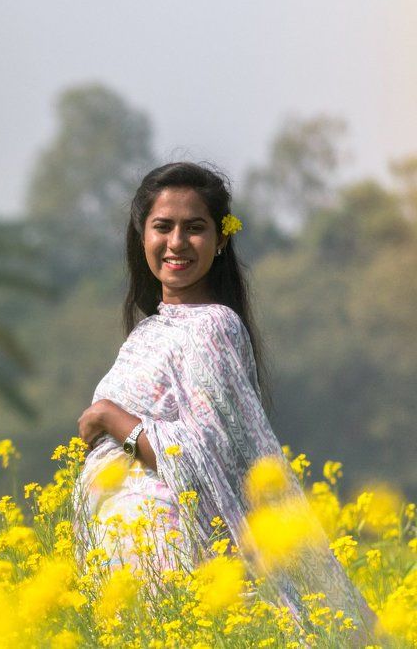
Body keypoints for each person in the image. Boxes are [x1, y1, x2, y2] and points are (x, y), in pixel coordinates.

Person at [70, 162, 377, 640]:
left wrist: (112, 419)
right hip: (134, 572)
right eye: (163, 227)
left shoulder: (212, 326)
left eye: (195, 228)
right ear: (142, 235)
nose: (176, 243)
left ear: (221, 239)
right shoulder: (153, 330)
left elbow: (203, 453)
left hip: (175, 565)